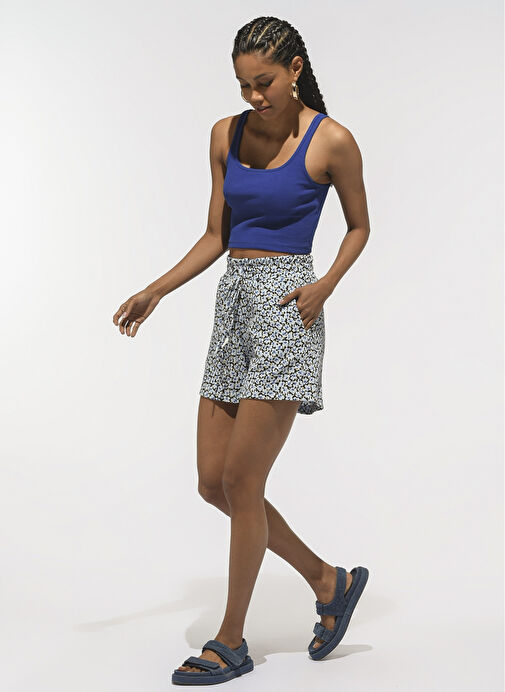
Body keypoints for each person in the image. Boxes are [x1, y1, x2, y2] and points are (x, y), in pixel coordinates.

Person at [113, 16, 371, 687]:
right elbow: (216, 234)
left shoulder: (331, 140)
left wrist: (324, 285)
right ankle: (329, 581)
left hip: (288, 308)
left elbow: (359, 226)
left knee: (242, 483)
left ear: (294, 68)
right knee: (212, 482)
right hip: (232, 308)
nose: (255, 97)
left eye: (265, 82)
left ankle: (230, 640)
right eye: (243, 86)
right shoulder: (224, 135)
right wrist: (156, 289)